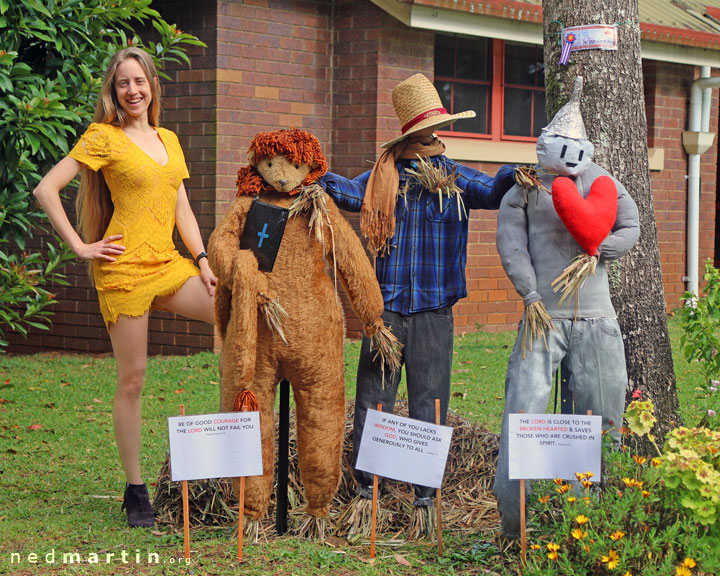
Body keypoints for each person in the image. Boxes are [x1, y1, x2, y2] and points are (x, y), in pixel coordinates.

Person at [33, 47, 216, 528]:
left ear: (152, 85)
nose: (132, 90)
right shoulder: (103, 137)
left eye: (139, 81)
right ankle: (135, 490)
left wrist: (201, 261)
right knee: (132, 379)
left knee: (232, 311)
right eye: (122, 83)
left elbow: (183, 211)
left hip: (169, 263)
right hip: (122, 269)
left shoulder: (169, 139)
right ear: (113, 92)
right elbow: (45, 189)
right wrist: (81, 247)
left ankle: (231, 438)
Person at [321, 73, 515, 511]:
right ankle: (367, 491)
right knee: (374, 399)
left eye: (433, 129)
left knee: (430, 398)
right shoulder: (383, 175)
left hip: (434, 310)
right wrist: (315, 177)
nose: (431, 136)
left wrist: (515, 174)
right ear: (412, 133)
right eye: (424, 130)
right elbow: (351, 193)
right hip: (385, 310)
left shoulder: (454, 176)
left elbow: (490, 193)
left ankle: (425, 494)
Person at [493, 77, 640, 539]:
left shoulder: (604, 184)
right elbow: (512, 247)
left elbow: (630, 223)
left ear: (585, 149)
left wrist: (600, 251)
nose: (568, 160)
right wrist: (530, 293)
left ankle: (593, 521)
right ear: (545, 149)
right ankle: (516, 522)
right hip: (544, 318)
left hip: (598, 320)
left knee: (602, 414)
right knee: (525, 410)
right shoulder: (524, 190)